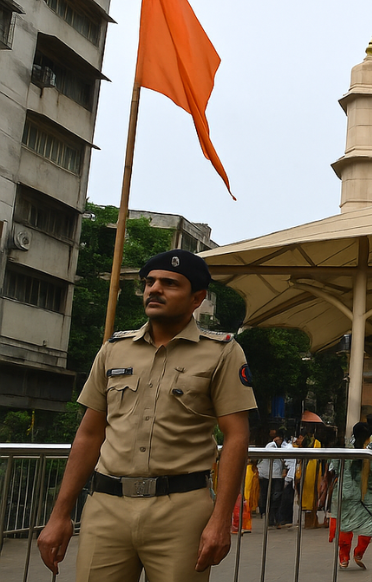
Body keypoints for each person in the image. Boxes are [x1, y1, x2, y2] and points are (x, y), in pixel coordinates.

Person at [37, 249, 257, 580]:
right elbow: (89, 434)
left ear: (197, 298)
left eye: (170, 283)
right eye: (149, 282)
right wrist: (59, 514)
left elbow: (236, 435)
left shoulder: (222, 352)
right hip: (107, 507)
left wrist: (221, 520)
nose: (154, 289)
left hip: (181, 509)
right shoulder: (114, 349)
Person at [332, 422, 372, 569]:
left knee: (345, 527)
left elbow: (335, 469)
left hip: (347, 495)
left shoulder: (346, 453)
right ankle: (358, 553)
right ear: (369, 437)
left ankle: (344, 557)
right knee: (368, 526)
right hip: (366, 496)